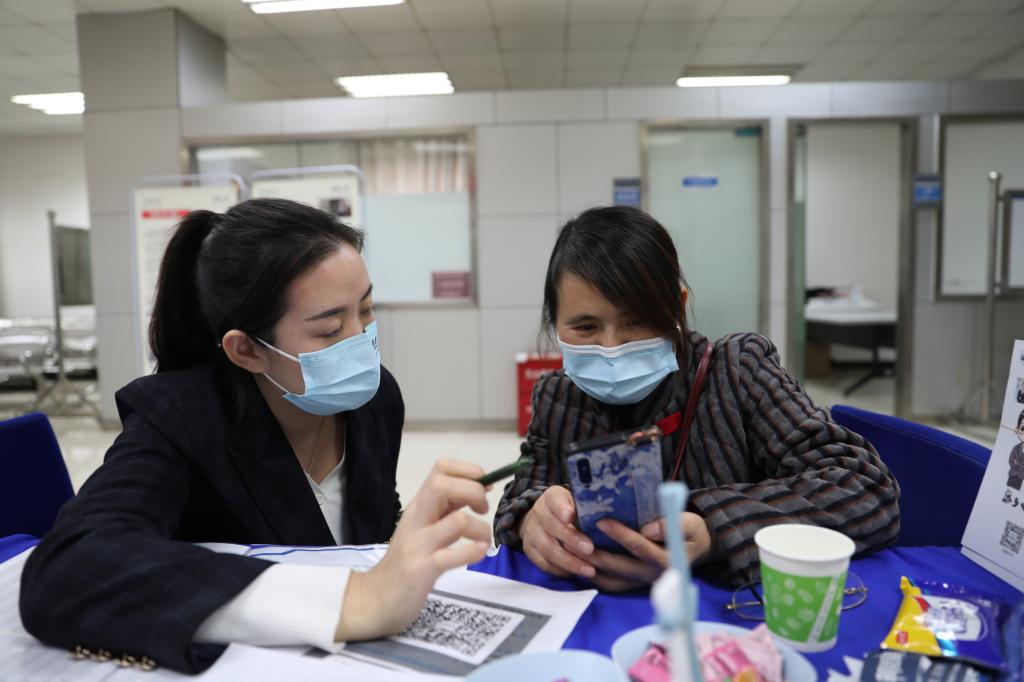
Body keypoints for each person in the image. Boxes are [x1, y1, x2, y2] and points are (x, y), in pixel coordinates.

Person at [20, 198, 491, 674]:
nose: (361, 343)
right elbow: (69, 567)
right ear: (246, 349)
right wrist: (352, 601)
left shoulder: (375, 400)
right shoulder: (181, 418)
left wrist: (410, 542)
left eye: (366, 311)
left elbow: (365, 524)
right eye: (330, 330)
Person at [494, 205, 901, 591]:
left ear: (678, 308)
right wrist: (530, 519)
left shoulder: (739, 371)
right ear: (555, 324)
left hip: (725, 616)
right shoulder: (558, 397)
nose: (612, 347)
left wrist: (714, 529)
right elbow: (521, 493)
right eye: (586, 327)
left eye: (637, 320)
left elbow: (865, 488)